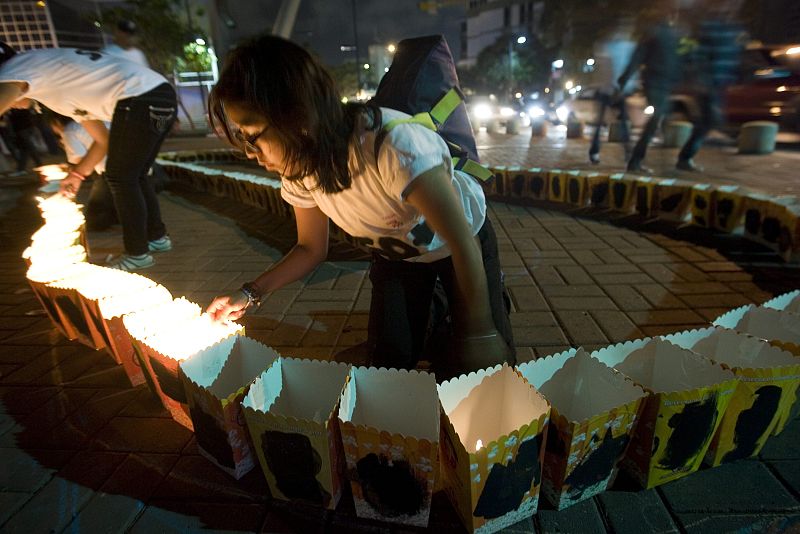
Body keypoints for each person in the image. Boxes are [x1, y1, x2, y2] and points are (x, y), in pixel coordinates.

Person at [206, 35, 514, 377]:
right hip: (398, 258)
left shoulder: (393, 147)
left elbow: (462, 243)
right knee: (389, 365)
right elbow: (310, 248)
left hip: (461, 246)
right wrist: (248, 294)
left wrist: (481, 332)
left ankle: (462, 313)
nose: (250, 153)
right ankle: (436, 316)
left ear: (295, 116)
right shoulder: (299, 169)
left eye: (253, 135)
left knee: (484, 368)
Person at [0, 42, 176, 271]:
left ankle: (137, 253)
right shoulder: (57, 83)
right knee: (136, 175)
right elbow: (103, 141)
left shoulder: (14, 67)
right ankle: (157, 238)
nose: (13, 107)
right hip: (160, 94)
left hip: (138, 97)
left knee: (120, 178)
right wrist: (77, 174)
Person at [674, 3, 745, 172]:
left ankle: (688, 156)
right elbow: (699, 55)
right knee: (709, 121)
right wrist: (701, 81)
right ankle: (686, 157)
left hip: (721, 82)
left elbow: (733, 55)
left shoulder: (734, 28)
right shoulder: (710, 26)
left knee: (709, 121)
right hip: (709, 82)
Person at [617, 3, 683, 173]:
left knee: (661, 119)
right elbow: (638, 56)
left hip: (667, 84)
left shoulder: (674, 33)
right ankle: (635, 161)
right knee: (656, 118)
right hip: (654, 82)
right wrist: (625, 78)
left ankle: (644, 160)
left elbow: (677, 59)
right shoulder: (653, 32)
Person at [46, 112, 118, 231]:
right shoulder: (96, 119)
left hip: (108, 167)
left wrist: (73, 172)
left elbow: (78, 159)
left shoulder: (69, 130)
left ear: (56, 122)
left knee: (96, 208)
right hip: (129, 163)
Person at [587, 20, 638, 165]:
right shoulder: (625, 47)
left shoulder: (607, 46)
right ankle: (626, 152)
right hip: (614, 89)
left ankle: (596, 152)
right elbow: (613, 69)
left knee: (605, 123)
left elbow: (603, 69)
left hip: (610, 89)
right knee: (618, 123)